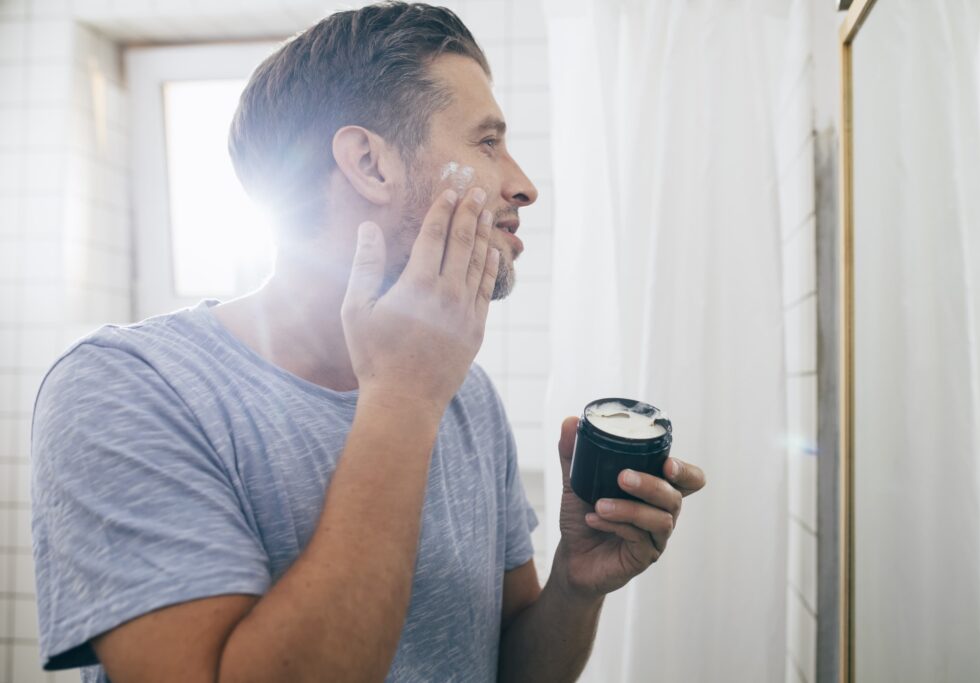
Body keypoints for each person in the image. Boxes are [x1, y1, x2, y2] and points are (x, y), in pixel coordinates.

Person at [30, 3, 706, 681]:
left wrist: (575, 584)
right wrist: (404, 397)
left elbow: (507, 669)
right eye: (487, 143)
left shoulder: (465, 395)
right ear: (368, 163)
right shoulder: (127, 387)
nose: (522, 185)